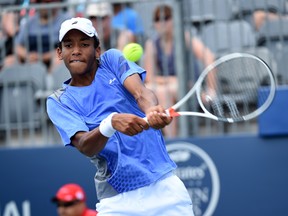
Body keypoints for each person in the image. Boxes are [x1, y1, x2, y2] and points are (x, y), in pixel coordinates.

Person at [46, 17, 194, 215]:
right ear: (59, 52)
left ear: (97, 50)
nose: (76, 50)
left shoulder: (112, 61)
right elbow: (84, 145)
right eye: (68, 45)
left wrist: (151, 109)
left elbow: (141, 93)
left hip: (164, 189)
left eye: (84, 44)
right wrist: (110, 123)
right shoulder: (58, 101)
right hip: (117, 201)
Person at [144, 4, 215, 138]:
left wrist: (211, 90)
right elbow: (149, 77)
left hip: (190, 88)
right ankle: (166, 139)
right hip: (168, 87)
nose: (162, 22)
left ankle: (173, 140)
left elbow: (209, 57)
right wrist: (172, 80)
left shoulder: (185, 38)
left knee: (164, 91)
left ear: (174, 20)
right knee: (156, 90)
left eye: (166, 18)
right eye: (158, 19)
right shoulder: (151, 44)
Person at [15, 0, 71, 72]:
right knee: (10, 61)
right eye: (40, 2)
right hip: (31, 61)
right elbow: (17, 46)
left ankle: (51, 82)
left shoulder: (66, 21)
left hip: (54, 59)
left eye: (47, 2)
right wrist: (28, 55)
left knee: (58, 60)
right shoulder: (29, 22)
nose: (43, 5)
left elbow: (68, 47)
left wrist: (43, 57)